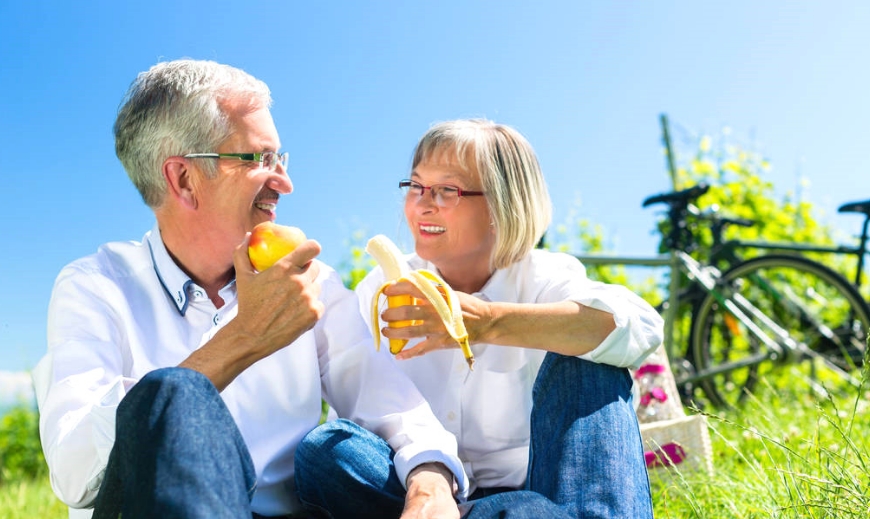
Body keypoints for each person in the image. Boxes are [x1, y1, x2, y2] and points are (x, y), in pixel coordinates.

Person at [32, 59, 470, 519]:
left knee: (516, 509)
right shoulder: (96, 286)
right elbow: (74, 473)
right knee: (173, 395)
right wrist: (243, 339)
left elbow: (393, 406)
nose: (285, 182)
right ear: (183, 178)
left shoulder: (308, 280)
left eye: (281, 158)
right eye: (261, 159)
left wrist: (430, 486)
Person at [299, 119, 664, 518]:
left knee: (593, 361)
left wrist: (488, 321)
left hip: (541, 485)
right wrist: (428, 480)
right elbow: (362, 413)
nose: (422, 204)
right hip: (417, 489)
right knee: (326, 450)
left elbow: (641, 328)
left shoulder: (543, 277)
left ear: (502, 204)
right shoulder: (382, 288)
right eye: (416, 186)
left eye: (446, 190)